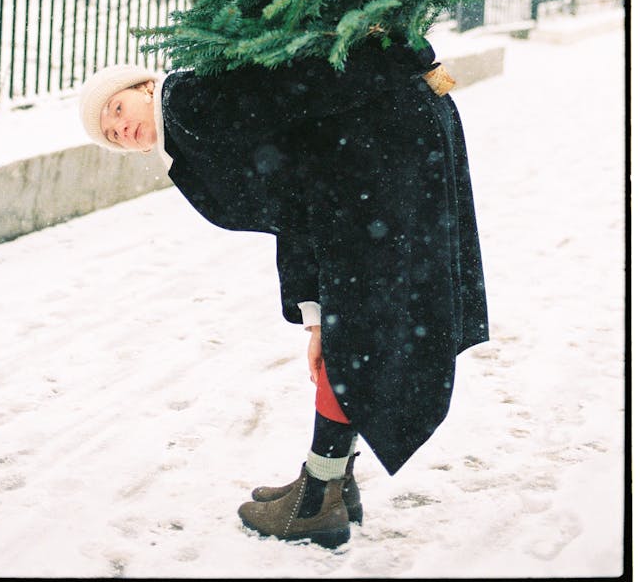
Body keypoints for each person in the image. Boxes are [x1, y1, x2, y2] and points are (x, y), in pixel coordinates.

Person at [79, 40, 488, 549]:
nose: (123, 128)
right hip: (363, 177)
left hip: (372, 168)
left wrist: (388, 59)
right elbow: (292, 202)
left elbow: (297, 92)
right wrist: (314, 314)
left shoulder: (186, 102)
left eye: (118, 109)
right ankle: (331, 481)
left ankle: (319, 499)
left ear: (143, 87)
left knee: (358, 336)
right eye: (114, 136)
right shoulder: (185, 133)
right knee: (351, 335)